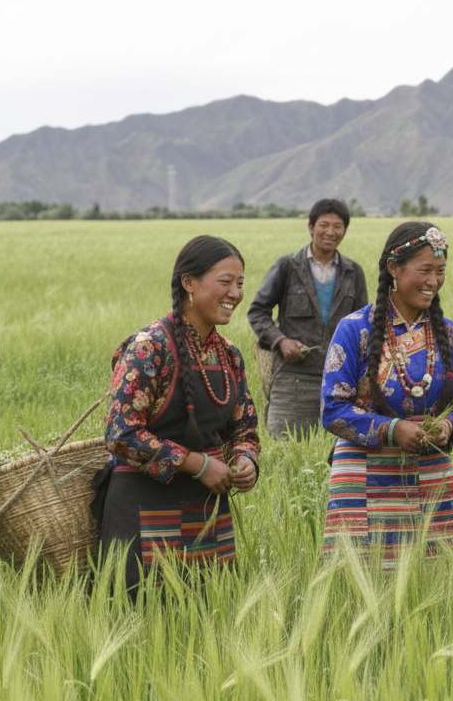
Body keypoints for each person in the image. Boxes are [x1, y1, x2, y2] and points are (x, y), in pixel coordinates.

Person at [97, 235, 260, 596]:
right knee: (142, 623)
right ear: (189, 283)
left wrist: (246, 459)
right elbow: (120, 433)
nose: (235, 293)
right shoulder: (149, 347)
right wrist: (197, 464)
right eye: (225, 282)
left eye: (240, 283)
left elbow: (244, 428)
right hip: (142, 509)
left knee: (206, 620)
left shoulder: (229, 355)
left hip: (206, 513)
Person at [320, 221, 453, 570]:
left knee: (434, 583)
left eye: (440, 271)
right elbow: (332, 408)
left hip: (431, 474)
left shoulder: (448, 334)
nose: (433, 281)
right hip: (363, 477)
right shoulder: (355, 329)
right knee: (363, 583)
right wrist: (393, 430)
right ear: (394, 268)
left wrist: (448, 429)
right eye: (424, 270)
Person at [248, 198, 368, 438]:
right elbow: (257, 311)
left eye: (338, 226)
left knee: (334, 448)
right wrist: (281, 341)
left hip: (340, 376)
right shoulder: (287, 267)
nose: (330, 232)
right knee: (284, 442)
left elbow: (363, 325)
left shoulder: (353, 272)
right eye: (324, 225)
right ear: (311, 227)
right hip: (293, 376)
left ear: (344, 231)